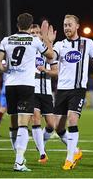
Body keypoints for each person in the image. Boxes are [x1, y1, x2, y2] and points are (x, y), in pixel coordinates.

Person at [0, 13, 55, 172]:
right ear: (30, 26)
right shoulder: (34, 40)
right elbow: (50, 55)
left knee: (13, 124)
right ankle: (19, 162)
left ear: (17, 25)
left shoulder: (6, 40)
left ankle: (18, 157)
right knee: (22, 125)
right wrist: (47, 39)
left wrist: (5, 68)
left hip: (11, 84)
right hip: (26, 85)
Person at [51, 14, 93, 170]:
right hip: (62, 90)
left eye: (69, 24)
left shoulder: (87, 43)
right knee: (58, 127)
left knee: (72, 119)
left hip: (78, 89)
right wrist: (48, 42)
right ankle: (76, 151)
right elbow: (51, 56)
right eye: (64, 25)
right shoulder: (59, 44)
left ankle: (69, 159)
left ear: (77, 26)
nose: (66, 28)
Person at [30, 24, 58, 163]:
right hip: (32, 91)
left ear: (42, 35)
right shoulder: (27, 50)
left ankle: (41, 143)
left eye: (37, 32)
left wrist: (45, 71)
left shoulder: (48, 52)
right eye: (32, 32)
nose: (35, 34)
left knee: (51, 125)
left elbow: (56, 71)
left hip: (46, 92)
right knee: (36, 119)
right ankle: (42, 153)